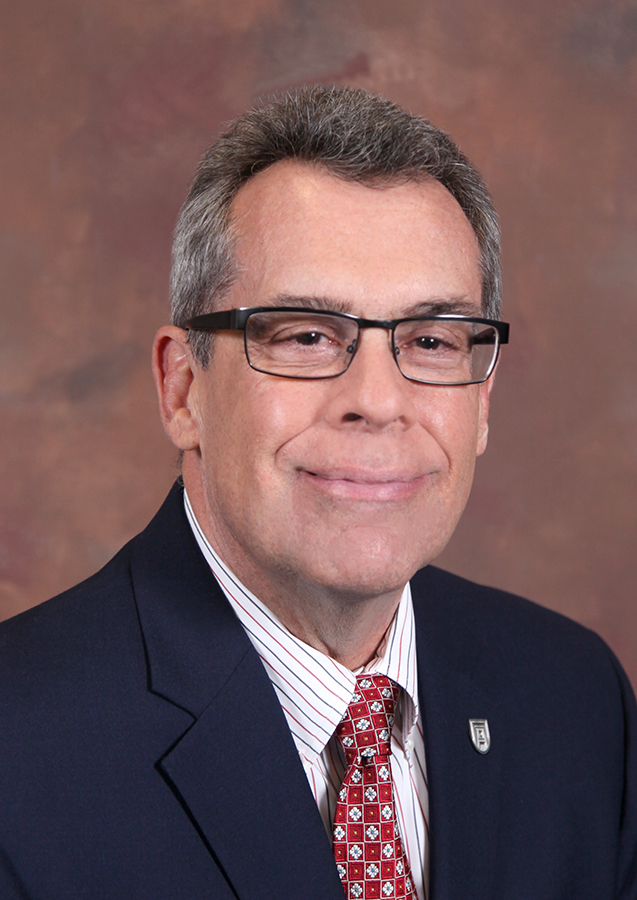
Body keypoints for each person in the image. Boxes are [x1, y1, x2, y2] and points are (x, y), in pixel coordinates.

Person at [0, 85, 635, 900]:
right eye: (305, 335)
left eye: (432, 339)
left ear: (480, 404)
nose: (377, 399)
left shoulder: (571, 699)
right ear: (182, 387)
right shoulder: (21, 747)